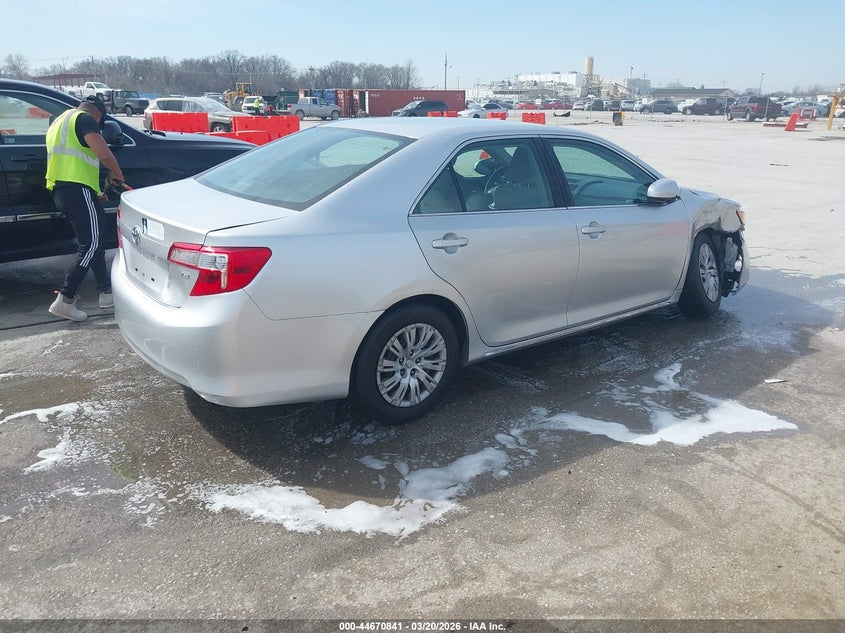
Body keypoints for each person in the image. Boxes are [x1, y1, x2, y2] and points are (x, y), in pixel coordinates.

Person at [45, 95, 125, 322]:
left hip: (65, 189)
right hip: (76, 190)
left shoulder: (59, 122)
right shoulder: (85, 119)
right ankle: (65, 300)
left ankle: (105, 294)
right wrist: (118, 175)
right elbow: (103, 154)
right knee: (90, 245)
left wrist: (96, 190)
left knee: (95, 240)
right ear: (98, 115)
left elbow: (73, 161)